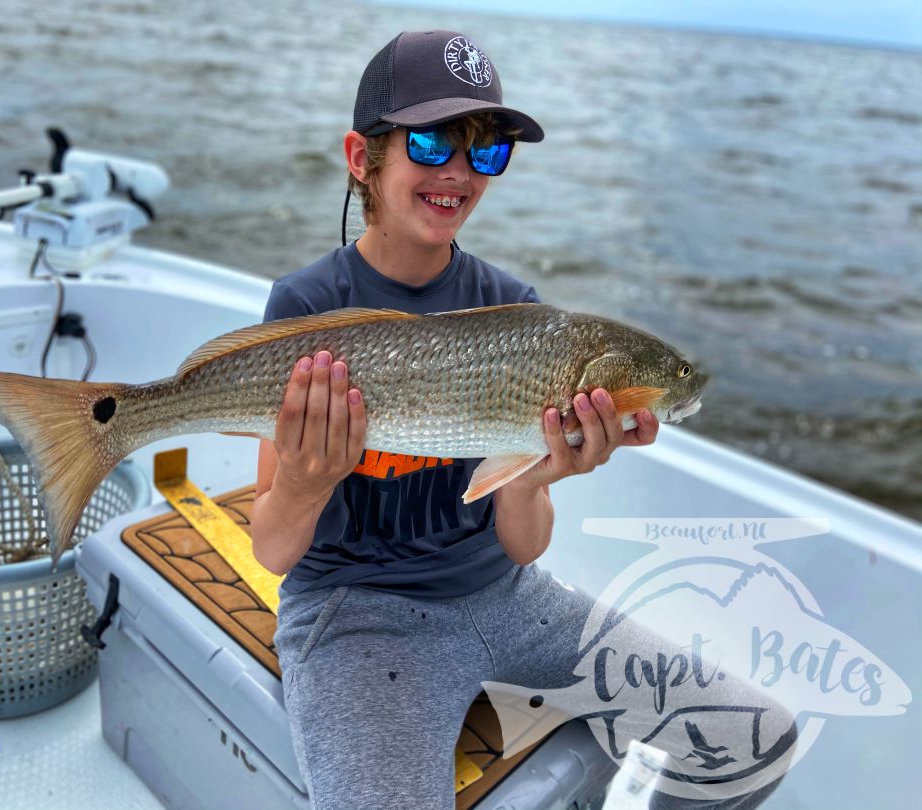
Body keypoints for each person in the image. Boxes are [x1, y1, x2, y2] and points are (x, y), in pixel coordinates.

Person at [251, 30, 786, 810]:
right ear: (362, 158)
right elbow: (272, 548)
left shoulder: (518, 311)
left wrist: (547, 470)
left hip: (508, 599)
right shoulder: (306, 310)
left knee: (754, 737)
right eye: (432, 143)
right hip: (356, 617)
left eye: (486, 152)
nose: (458, 173)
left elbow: (523, 542)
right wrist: (304, 481)